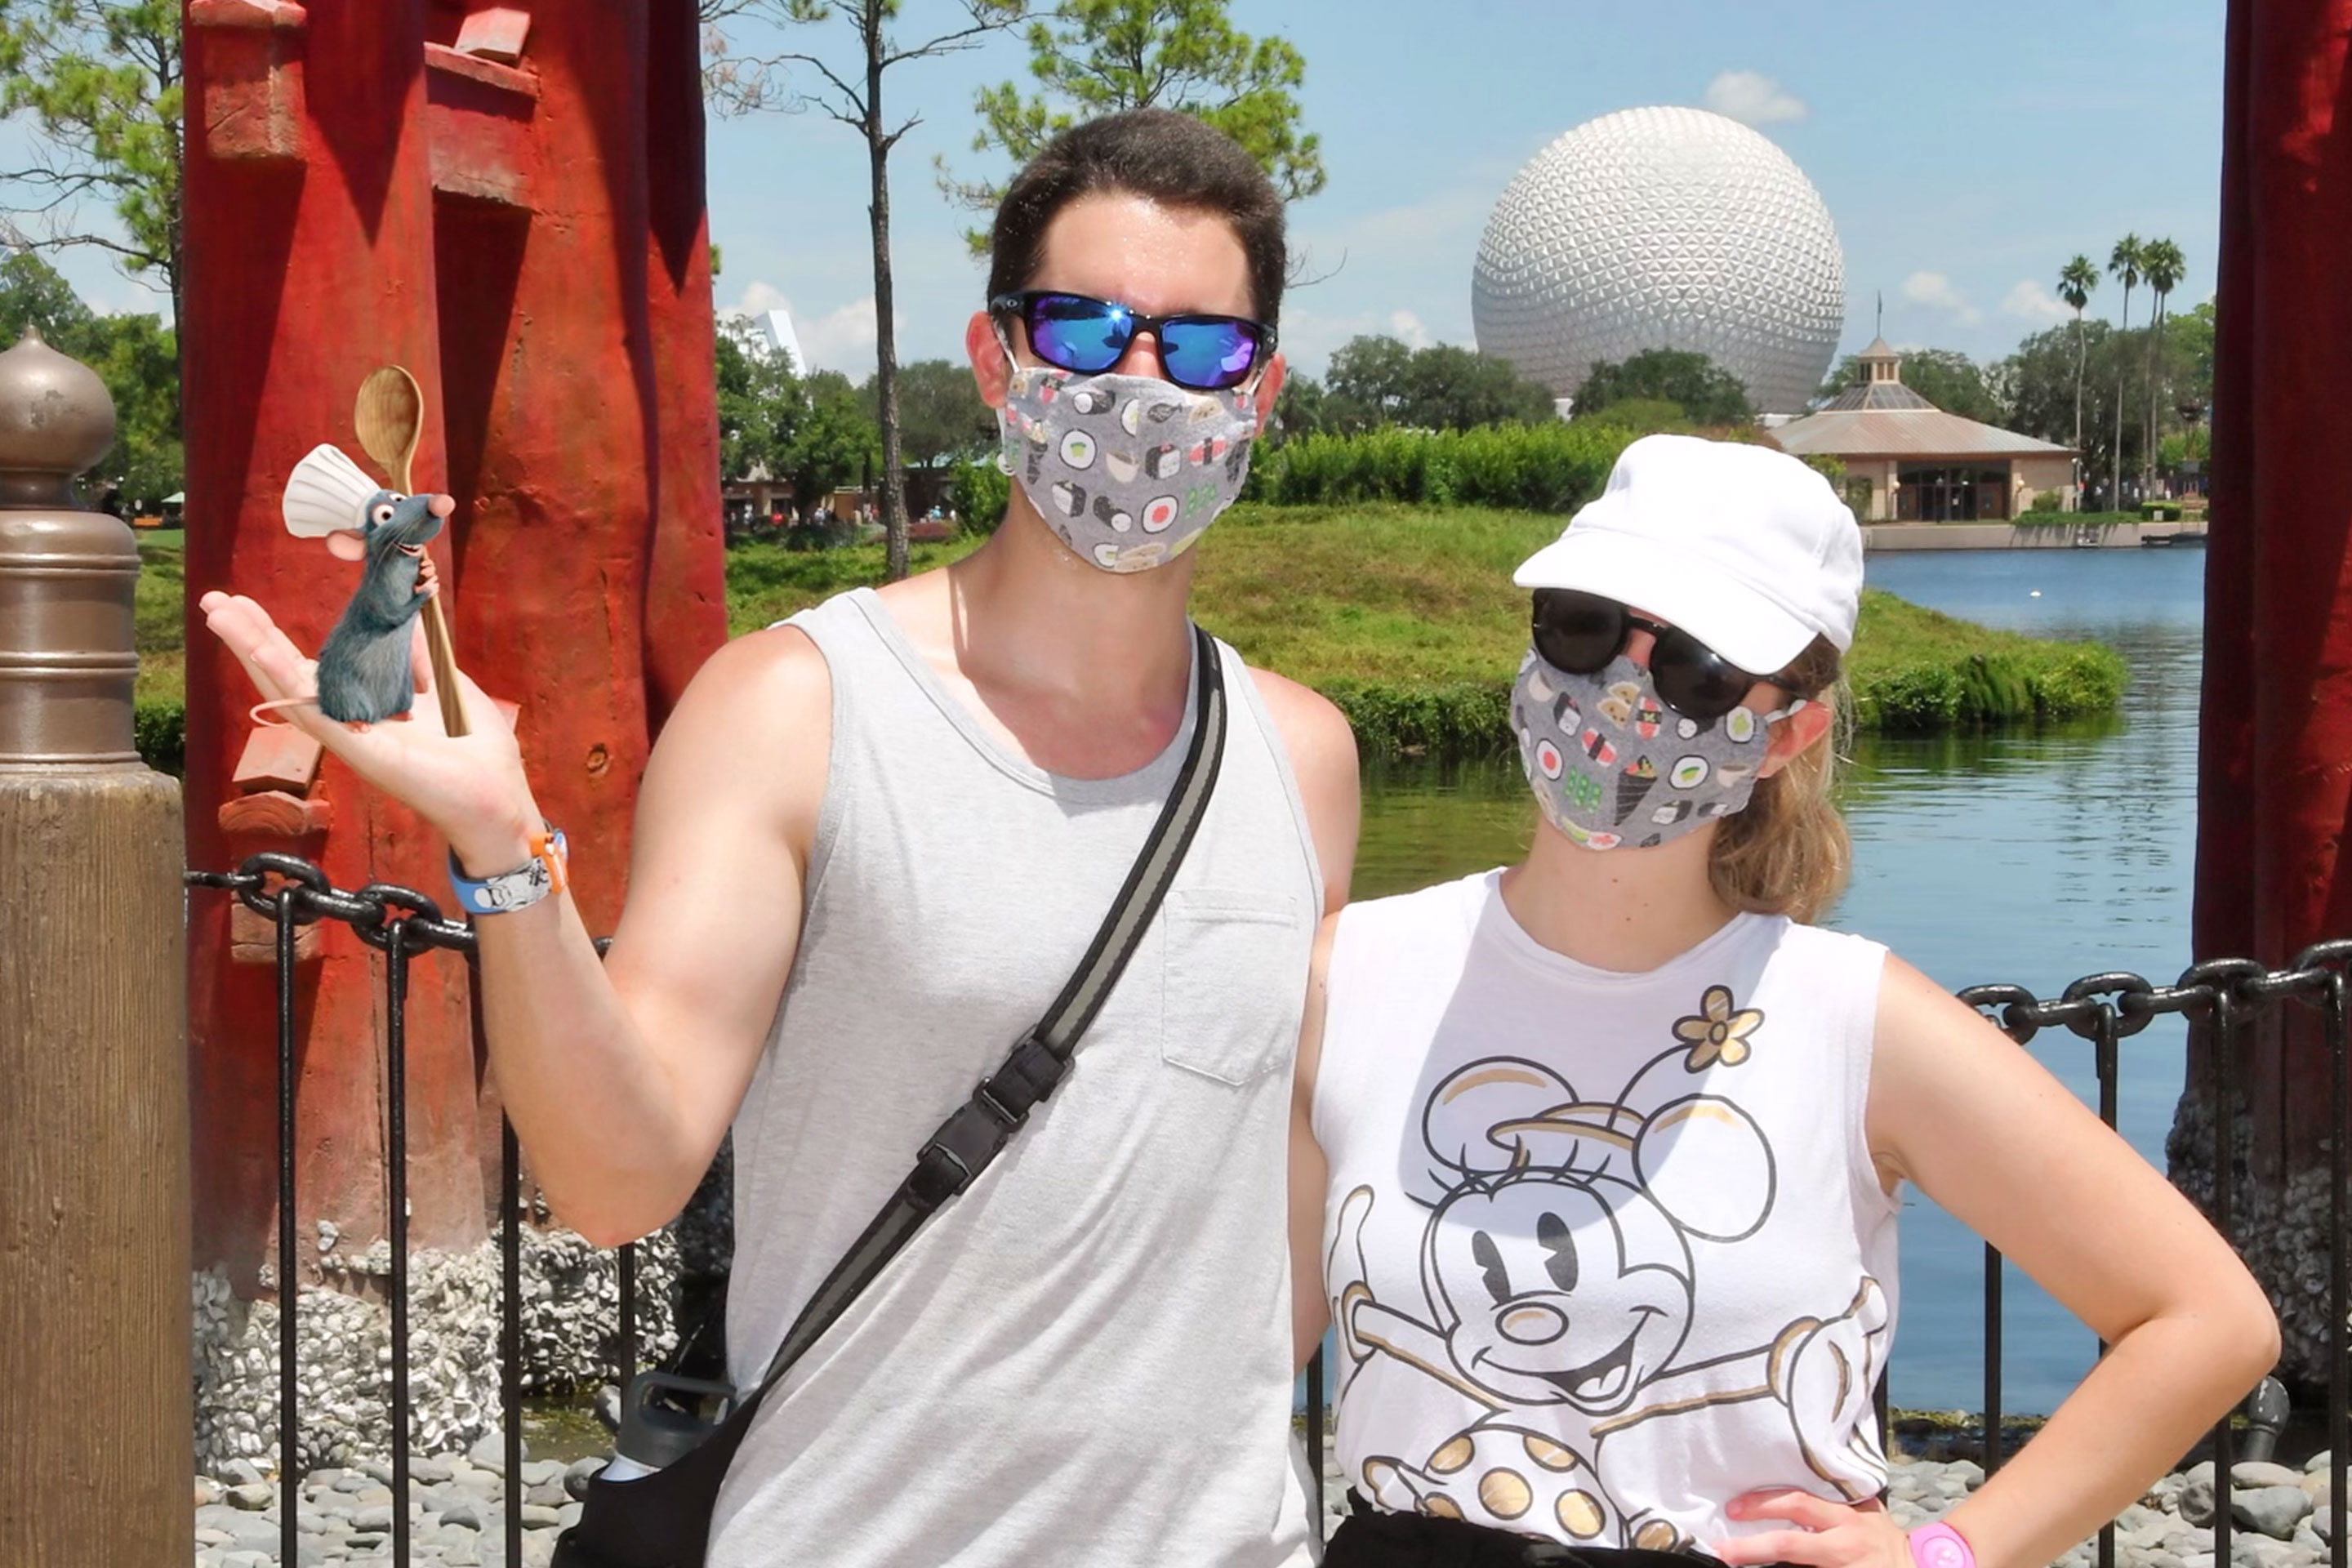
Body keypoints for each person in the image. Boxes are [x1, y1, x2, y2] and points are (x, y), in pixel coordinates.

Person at [203, 107, 1356, 1566]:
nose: (1138, 385)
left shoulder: (1302, 758)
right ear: (995, 360)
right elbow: (620, 1178)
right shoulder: (799, 710)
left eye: (1199, 348)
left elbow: (1291, 1213)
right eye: (1082, 330)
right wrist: (504, 846)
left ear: (1262, 393)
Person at [1287, 434, 2277, 1568]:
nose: (1617, 686)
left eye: (1696, 669)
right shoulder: (1348, 977)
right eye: (1584, 624)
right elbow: (1245, 1358)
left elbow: (2207, 1320)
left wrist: (1946, 1554)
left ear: (1791, 730)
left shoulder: (1857, 1023)